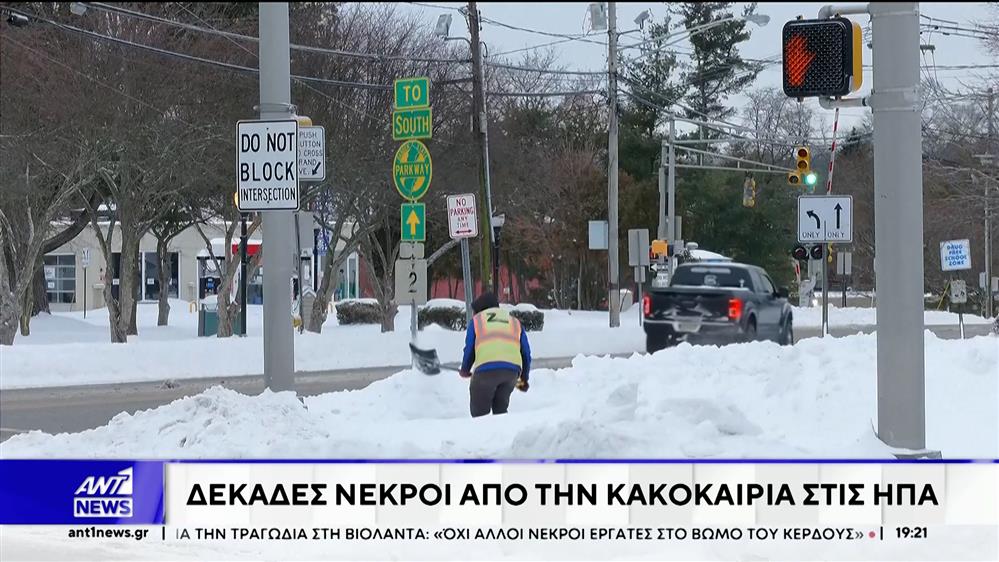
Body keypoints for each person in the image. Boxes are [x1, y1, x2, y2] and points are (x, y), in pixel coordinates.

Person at [459, 292, 532, 417]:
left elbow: (469, 349)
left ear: (480, 309)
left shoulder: (477, 321)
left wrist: (465, 370)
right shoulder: (514, 322)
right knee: (500, 412)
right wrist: (523, 379)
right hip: (511, 373)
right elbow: (526, 353)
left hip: (485, 372)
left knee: (479, 415)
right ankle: (503, 433)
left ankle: (481, 434)